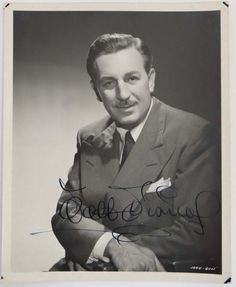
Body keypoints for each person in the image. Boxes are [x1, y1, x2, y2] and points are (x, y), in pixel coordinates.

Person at [51, 33, 221, 272]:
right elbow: (66, 214)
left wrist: (96, 252)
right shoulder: (89, 137)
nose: (123, 94)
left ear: (150, 80)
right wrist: (108, 247)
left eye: (131, 78)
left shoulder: (196, 134)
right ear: (96, 90)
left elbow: (197, 230)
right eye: (109, 83)